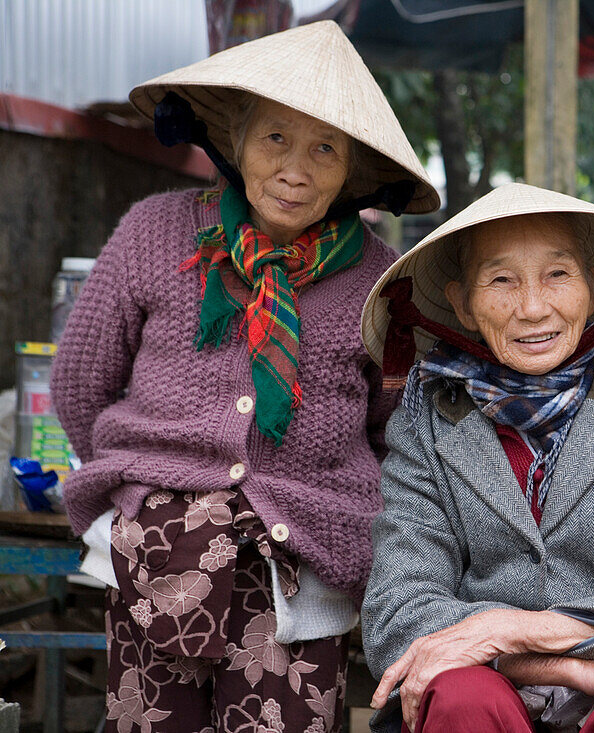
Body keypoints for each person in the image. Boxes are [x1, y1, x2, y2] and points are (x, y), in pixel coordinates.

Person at [50, 21, 438, 732]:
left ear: (352, 170)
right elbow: (80, 385)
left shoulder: (379, 280)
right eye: (276, 140)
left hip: (306, 560)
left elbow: (401, 429)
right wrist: (136, 483)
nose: (296, 168)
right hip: (155, 553)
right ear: (236, 143)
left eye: (325, 148)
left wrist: (350, 510)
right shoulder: (155, 231)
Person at [358, 182, 594, 733]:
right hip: (497, 689)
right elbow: (398, 614)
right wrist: (568, 667)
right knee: (461, 697)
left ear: (591, 287)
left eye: (558, 275)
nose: (533, 308)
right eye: (501, 280)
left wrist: (501, 629)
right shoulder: (428, 417)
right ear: (462, 303)